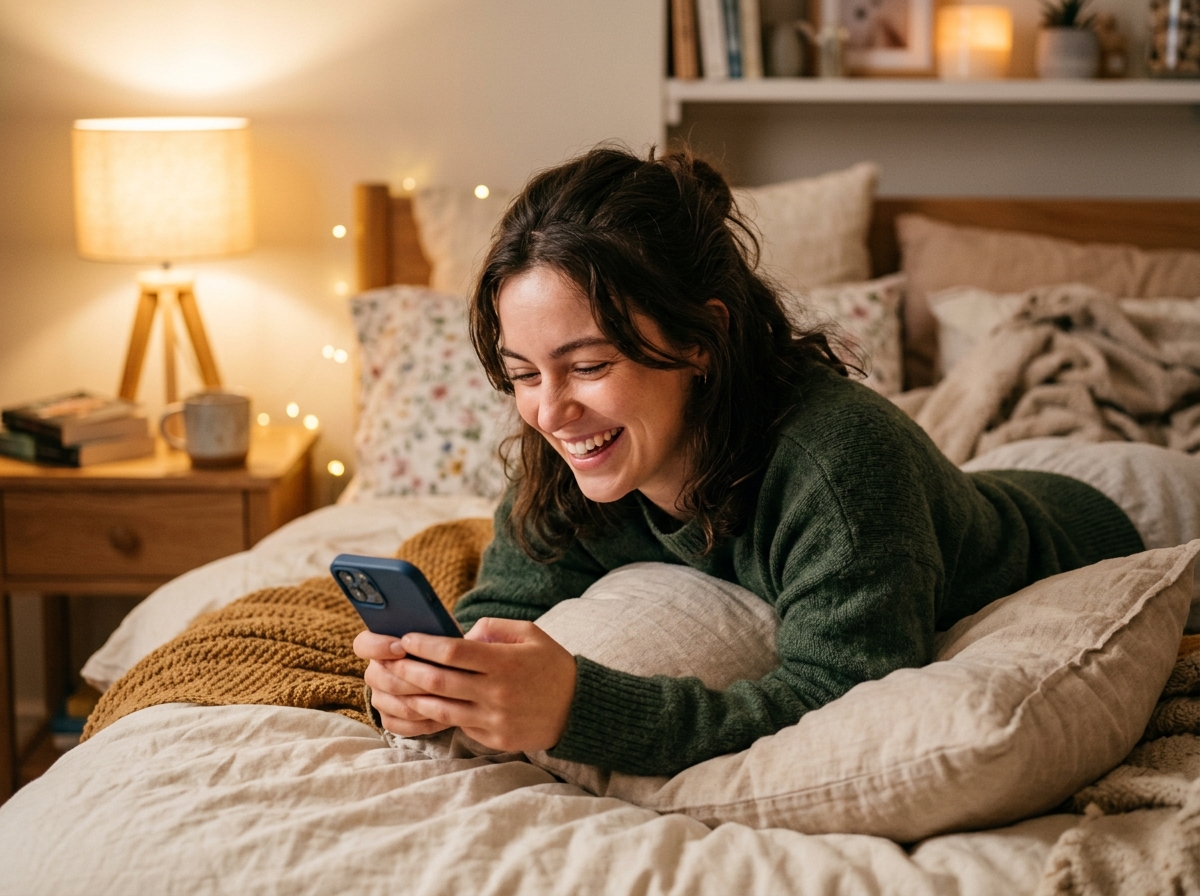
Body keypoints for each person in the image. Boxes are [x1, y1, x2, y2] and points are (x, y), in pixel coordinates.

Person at [353, 145, 1147, 778]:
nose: (550, 412)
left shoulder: (839, 461)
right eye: (524, 374)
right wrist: (427, 683)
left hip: (1109, 514)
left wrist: (577, 709)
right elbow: (504, 606)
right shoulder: (563, 454)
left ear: (700, 338)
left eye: (589, 366)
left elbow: (840, 702)